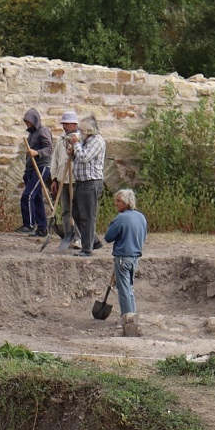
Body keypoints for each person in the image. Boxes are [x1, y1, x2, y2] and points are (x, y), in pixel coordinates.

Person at [104, 188, 147, 325]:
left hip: (123, 257)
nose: (115, 204)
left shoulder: (121, 218)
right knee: (129, 288)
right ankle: (132, 316)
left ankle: (127, 320)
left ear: (127, 203)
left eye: (118, 201)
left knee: (123, 289)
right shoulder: (141, 217)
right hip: (135, 257)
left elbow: (108, 237)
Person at [69, 115, 106, 258]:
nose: (79, 132)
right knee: (76, 213)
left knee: (87, 216)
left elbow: (84, 158)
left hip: (91, 183)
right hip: (81, 182)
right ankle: (93, 241)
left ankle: (87, 248)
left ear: (89, 131)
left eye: (81, 130)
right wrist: (73, 153)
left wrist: (76, 144)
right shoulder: (85, 141)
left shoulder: (97, 141)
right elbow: (78, 157)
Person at [15, 108, 53, 237]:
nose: (27, 124)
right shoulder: (31, 134)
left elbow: (49, 148)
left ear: (34, 121)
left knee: (28, 195)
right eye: (26, 122)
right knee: (36, 199)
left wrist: (37, 152)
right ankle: (42, 228)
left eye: (29, 122)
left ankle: (29, 224)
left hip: (41, 167)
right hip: (31, 169)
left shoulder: (43, 131)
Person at [49, 109, 81, 247]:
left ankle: (79, 238)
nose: (64, 126)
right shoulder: (61, 139)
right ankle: (68, 236)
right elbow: (55, 160)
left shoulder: (81, 139)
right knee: (65, 210)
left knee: (77, 210)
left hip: (75, 180)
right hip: (63, 179)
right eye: (63, 124)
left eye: (66, 124)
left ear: (74, 124)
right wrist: (54, 179)